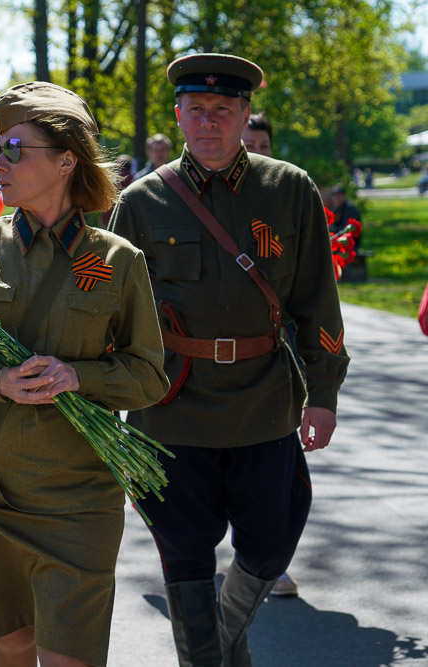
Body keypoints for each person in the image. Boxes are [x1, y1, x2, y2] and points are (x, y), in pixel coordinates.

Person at [0, 81, 169, 667]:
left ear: (66, 159)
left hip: (80, 499)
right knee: (13, 644)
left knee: (69, 657)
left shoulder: (116, 260)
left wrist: (78, 377)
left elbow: (149, 376)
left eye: (14, 149)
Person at [108, 53, 350, 667]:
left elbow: (316, 300)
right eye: (196, 110)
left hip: (264, 403)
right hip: (171, 408)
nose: (209, 123)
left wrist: (322, 393)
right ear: (179, 115)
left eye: (223, 110)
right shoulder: (140, 202)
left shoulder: (289, 188)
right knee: (184, 553)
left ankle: (210, 649)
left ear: (245, 114)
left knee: (272, 543)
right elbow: (111, 308)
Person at [240, 112, 300, 598]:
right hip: (198, 375)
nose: (255, 148)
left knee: (276, 481)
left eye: (262, 141)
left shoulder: (289, 194)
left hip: (276, 360)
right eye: (249, 141)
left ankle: (266, 562)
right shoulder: (183, 197)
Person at [329, 183, 362, 248]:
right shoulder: (334, 208)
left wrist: (330, 231)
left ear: (344, 196)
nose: (337, 198)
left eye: (339, 195)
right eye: (335, 196)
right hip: (337, 240)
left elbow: (346, 229)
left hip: (349, 243)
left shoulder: (350, 209)